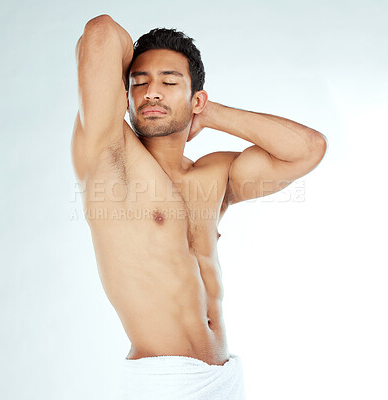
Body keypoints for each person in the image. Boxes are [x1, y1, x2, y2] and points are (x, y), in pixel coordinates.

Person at [71, 14, 327, 400]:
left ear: (196, 98)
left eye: (169, 82)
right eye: (138, 83)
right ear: (124, 96)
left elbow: (308, 149)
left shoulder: (215, 175)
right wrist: (135, 84)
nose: (151, 92)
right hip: (163, 382)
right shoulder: (109, 156)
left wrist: (209, 114)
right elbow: (101, 33)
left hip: (225, 376)